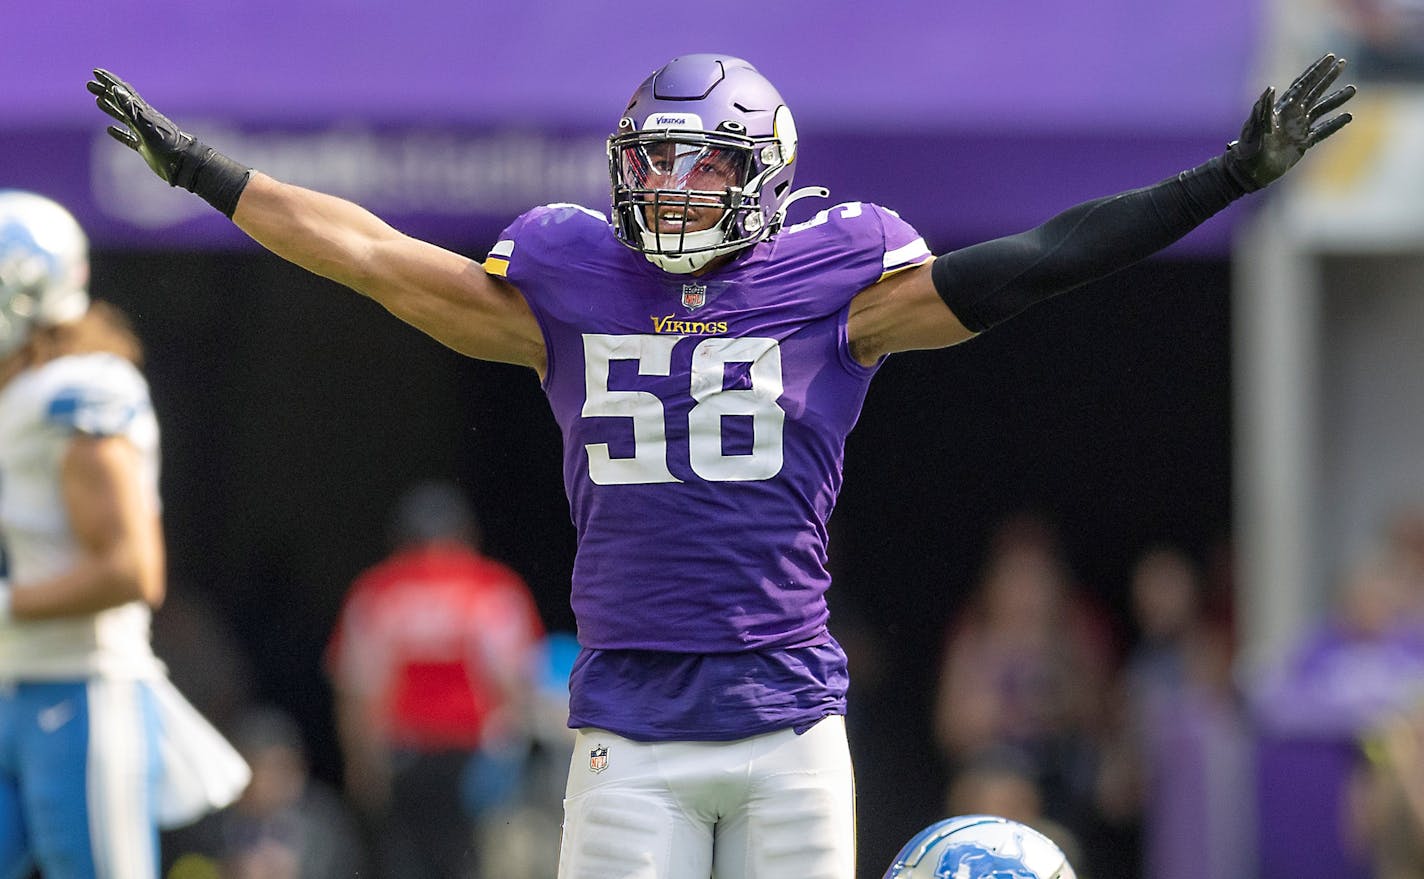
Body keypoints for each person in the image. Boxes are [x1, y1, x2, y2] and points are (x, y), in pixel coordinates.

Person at [86, 50, 1355, 878]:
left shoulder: (836, 280)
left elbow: (1035, 261)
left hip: (784, 719)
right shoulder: (567, 279)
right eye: (656, 161)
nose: (675, 190)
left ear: (765, 177)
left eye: (704, 165)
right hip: (627, 724)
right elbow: (365, 252)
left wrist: (1224, 178)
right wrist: (207, 173)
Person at [0, 190, 250, 878]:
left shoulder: (76, 392)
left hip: (81, 688)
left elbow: (132, 570)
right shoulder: (19, 392)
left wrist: (6, 603)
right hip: (14, 681)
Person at [324, 480, 544, 879]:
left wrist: (360, 763)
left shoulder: (376, 591)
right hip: (477, 756)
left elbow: (357, 689)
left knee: (406, 863)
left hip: (403, 756)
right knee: (475, 863)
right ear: (465, 534)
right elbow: (518, 683)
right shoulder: (491, 587)